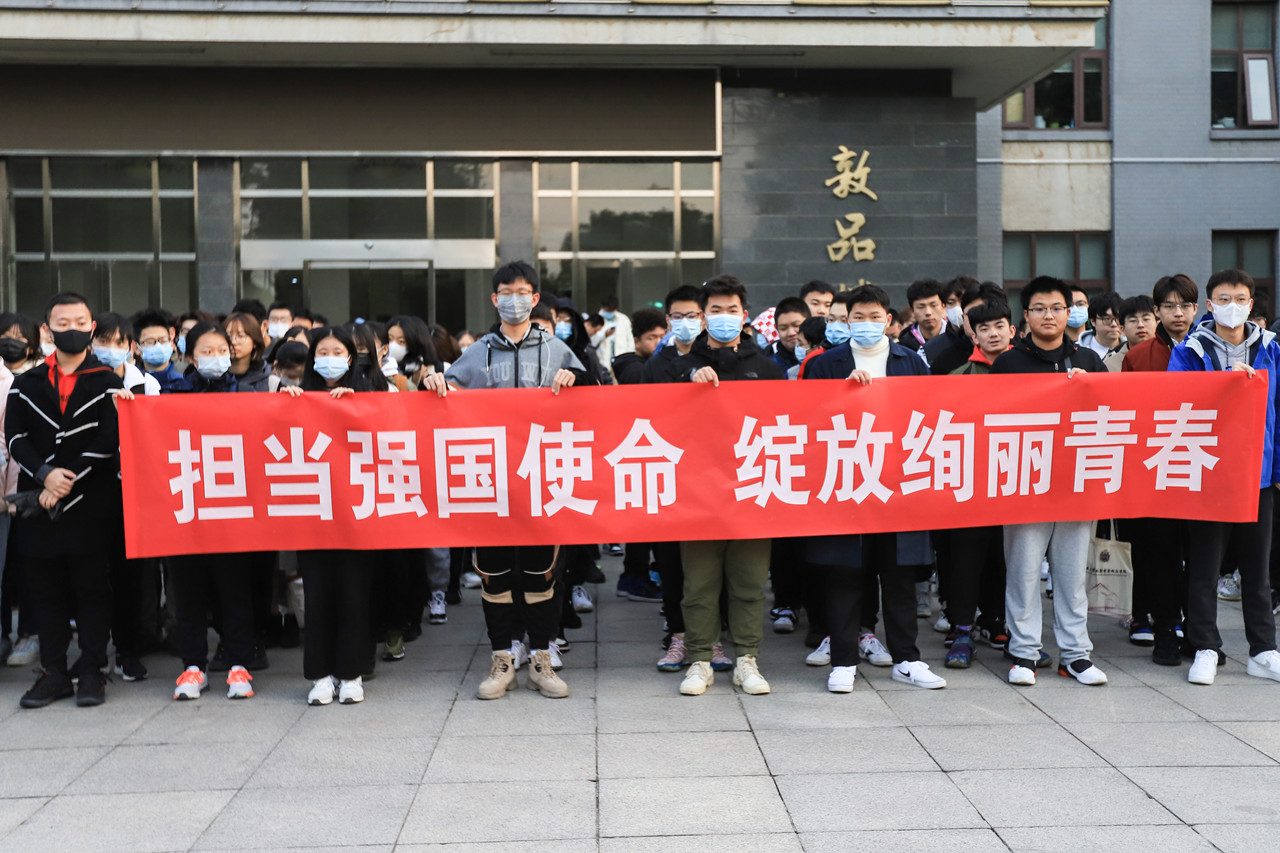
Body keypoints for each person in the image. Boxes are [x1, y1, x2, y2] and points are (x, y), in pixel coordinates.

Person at [427, 260, 593, 700]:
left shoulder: (556, 349)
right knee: (495, 576)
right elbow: (447, 394)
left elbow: (593, 399)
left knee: (541, 575)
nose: (514, 300)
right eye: (506, 292)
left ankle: (541, 659)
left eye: (522, 292)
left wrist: (576, 379)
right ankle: (502, 660)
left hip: (541, 482)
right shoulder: (479, 352)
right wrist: (432, 382)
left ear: (535, 299)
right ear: (494, 298)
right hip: (491, 483)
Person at [804, 284, 946, 692]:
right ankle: (844, 661)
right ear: (847, 321)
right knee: (845, 575)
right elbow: (807, 420)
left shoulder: (910, 361)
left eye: (874, 317)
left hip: (897, 484)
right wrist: (842, 395)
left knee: (900, 578)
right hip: (845, 483)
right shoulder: (825, 364)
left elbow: (926, 417)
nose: (866, 324)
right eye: (858, 318)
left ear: (889, 320)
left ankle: (907, 659)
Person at [6, 292, 125, 708]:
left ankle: (91, 670)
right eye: (62, 324)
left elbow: (109, 439)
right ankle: (53, 672)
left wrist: (64, 480)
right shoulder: (26, 383)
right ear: (47, 330)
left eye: (79, 323)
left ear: (91, 328)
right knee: (45, 592)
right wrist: (45, 476)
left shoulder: (108, 382)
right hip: (38, 503)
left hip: (90, 503)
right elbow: (15, 437)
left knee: (93, 590)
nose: (71, 330)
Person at [991, 276, 1108, 687]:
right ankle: (1024, 652)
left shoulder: (1089, 361)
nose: (1049, 316)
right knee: (1023, 571)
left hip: (1076, 482)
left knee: (1072, 576)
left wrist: (1088, 389)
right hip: (1026, 483)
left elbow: (1112, 415)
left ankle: (1075, 655)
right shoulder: (1007, 364)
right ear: (1025, 316)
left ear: (1070, 313)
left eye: (1057, 308)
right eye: (1039, 309)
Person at [672, 275, 782, 697]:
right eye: (715, 310)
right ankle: (700, 659)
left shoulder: (766, 367)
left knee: (750, 583)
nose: (724, 317)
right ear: (703, 317)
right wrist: (688, 383)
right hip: (696, 495)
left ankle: (747, 660)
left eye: (731, 310)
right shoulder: (678, 366)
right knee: (699, 585)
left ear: (744, 315)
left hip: (752, 490)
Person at [1169, 268, 1280, 686]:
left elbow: (1279, 413)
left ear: (1251, 305)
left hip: (1258, 475)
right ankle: (1205, 647)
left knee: (1257, 568)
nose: (1231, 306)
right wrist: (1224, 387)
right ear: (1209, 305)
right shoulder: (1190, 350)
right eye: (1223, 299)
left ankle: (1263, 649)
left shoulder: (1271, 349)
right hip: (1209, 473)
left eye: (1239, 299)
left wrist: (1277, 469)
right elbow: (1176, 401)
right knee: (1205, 566)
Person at [279, 326, 378, 705]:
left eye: (338, 352)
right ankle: (320, 675)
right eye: (323, 351)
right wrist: (286, 404)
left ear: (351, 358)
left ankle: (351, 672)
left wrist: (359, 406)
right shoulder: (296, 396)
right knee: (317, 594)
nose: (330, 358)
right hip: (313, 512)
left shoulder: (368, 394)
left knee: (353, 594)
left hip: (355, 514)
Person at [166, 322, 258, 702]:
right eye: (207, 351)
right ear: (190, 356)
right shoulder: (170, 395)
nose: (217, 357)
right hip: (187, 506)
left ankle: (239, 664)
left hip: (231, 507)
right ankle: (193, 666)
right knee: (188, 591)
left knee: (235, 590)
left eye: (222, 350)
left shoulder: (248, 394)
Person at [1120, 275, 1199, 663]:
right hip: (1156, 467)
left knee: (1199, 554)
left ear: (1196, 309)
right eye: (1169, 306)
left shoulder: (1211, 350)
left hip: (1202, 465)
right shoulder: (1138, 357)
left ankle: (1197, 630)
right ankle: (1165, 627)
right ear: (1157, 311)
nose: (1177, 313)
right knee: (1161, 551)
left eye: (1184, 305)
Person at [943, 299, 1016, 667]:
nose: (992, 334)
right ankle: (961, 629)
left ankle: (997, 621)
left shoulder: (1029, 370)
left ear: (1012, 330)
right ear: (973, 335)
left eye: (999, 326)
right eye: (983, 328)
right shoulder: (958, 376)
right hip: (971, 483)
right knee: (966, 558)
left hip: (1017, 481)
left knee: (1007, 558)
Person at [0, 313, 43, 666]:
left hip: (28, 489)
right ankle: (3, 634)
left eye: (19, 337)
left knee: (29, 565)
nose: (10, 342)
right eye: (4, 335)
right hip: (1, 493)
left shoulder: (38, 380)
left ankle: (30, 632)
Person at [646, 286, 704, 384]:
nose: (685, 322)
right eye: (677, 316)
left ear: (702, 317)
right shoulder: (655, 363)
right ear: (668, 320)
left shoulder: (712, 358)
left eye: (691, 316)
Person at [133, 308, 192, 393]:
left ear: (171, 341)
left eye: (163, 340)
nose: (158, 346)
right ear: (137, 348)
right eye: (150, 342)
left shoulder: (186, 382)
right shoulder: (131, 382)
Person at [224, 311, 277, 393]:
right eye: (228, 336)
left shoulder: (272, 383)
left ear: (255, 342)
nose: (233, 342)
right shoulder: (212, 380)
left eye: (240, 336)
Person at [1102, 295, 1156, 372]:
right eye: (1133, 320)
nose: (1140, 325)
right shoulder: (1109, 366)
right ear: (1122, 329)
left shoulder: (1169, 357)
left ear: (1157, 324)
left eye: (1146, 319)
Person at [897, 278, 947, 354]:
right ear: (912, 310)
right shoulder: (903, 347)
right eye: (921, 307)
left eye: (933, 305)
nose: (928, 312)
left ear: (943, 307)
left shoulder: (957, 339)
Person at [768, 297, 810, 376]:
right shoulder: (769, 367)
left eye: (796, 325)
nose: (791, 333)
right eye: (783, 328)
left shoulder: (823, 361)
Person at [1079, 292, 1125, 360]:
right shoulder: (1078, 351)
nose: (1114, 324)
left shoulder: (1132, 349)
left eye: (1118, 318)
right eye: (1107, 319)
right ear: (1093, 321)